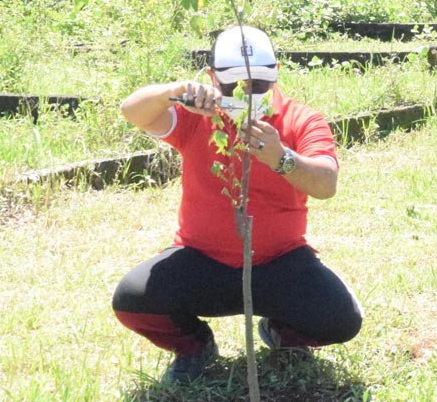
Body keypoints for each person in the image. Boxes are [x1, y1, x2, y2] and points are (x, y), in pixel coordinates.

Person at [112, 25, 362, 383]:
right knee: (133, 299)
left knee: (340, 320)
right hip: (202, 259)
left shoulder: (300, 119)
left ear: (276, 74)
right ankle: (194, 347)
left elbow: (326, 184)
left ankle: (282, 333)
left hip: (279, 261)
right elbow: (131, 111)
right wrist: (174, 92)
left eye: (259, 84)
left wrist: (280, 157)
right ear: (214, 78)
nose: (247, 94)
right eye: (234, 86)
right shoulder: (199, 116)